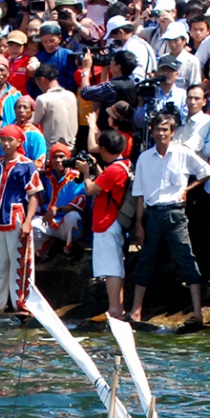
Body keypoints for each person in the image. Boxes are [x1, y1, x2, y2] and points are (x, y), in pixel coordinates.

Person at [128, 113, 210, 325]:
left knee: (186, 258)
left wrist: (187, 189)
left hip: (175, 213)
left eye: (165, 130)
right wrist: (139, 224)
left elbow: (207, 171)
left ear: (172, 132)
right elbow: (139, 194)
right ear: (152, 132)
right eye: (158, 129)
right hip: (152, 213)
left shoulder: (182, 153)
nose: (161, 133)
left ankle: (197, 313)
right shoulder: (144, 158)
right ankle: (136, 311)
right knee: (145, 259)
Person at [0, 124, 42, 316]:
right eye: (3, 140)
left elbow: (33, 196)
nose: (6, 144)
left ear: (19, 142)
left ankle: (22, 304)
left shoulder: (27, 165)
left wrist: (28, 221)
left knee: (20, 262)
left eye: (10, 140)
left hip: (17, 218)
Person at [78, 129, 134, 321]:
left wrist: (86, 173)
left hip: (107, 222)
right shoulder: (124, 165)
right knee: (115, 266)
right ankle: (117, 307)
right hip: (113, 221)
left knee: (111, 269)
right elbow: (105, 183)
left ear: (103, 148)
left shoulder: (114, 170)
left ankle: (115, 309)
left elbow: (91, 189)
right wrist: (95, 168)